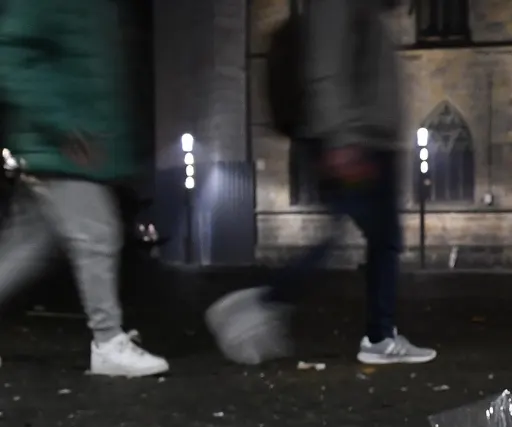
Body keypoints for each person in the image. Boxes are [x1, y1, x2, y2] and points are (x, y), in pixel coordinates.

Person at [207, 0, 435, 366]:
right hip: (358, 141)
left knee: (375, 236)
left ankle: (376, 333)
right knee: (369, 236)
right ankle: (268, 302)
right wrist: (340, 139)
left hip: (368, 138)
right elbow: (325, 70)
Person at [0, 0, 170, 376]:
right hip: (62, 145)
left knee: (25, 249)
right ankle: (107, 341)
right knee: (97, 234)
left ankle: (109, 340)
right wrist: (61, 123)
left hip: (72, 143)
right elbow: (10, 53)